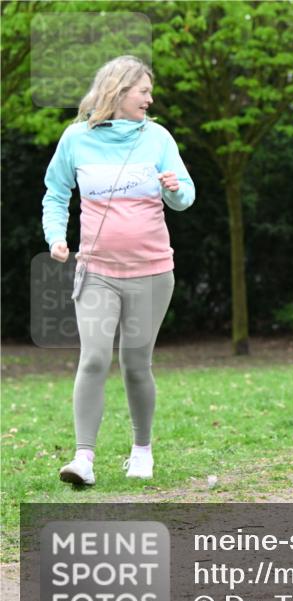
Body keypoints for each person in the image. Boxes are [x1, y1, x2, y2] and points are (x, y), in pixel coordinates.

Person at [41, 56, 195, 486]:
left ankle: (141, 449)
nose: (150, 98)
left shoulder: (158, 138)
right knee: (92, 358)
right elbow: (56, 193)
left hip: (151, 272)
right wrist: (56, 235)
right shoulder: (76, 139)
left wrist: (175, 189)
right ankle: (83, 458)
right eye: (143, 90)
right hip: (96, 271)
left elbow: (186, 197)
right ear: (119, 91)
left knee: (134, 363)